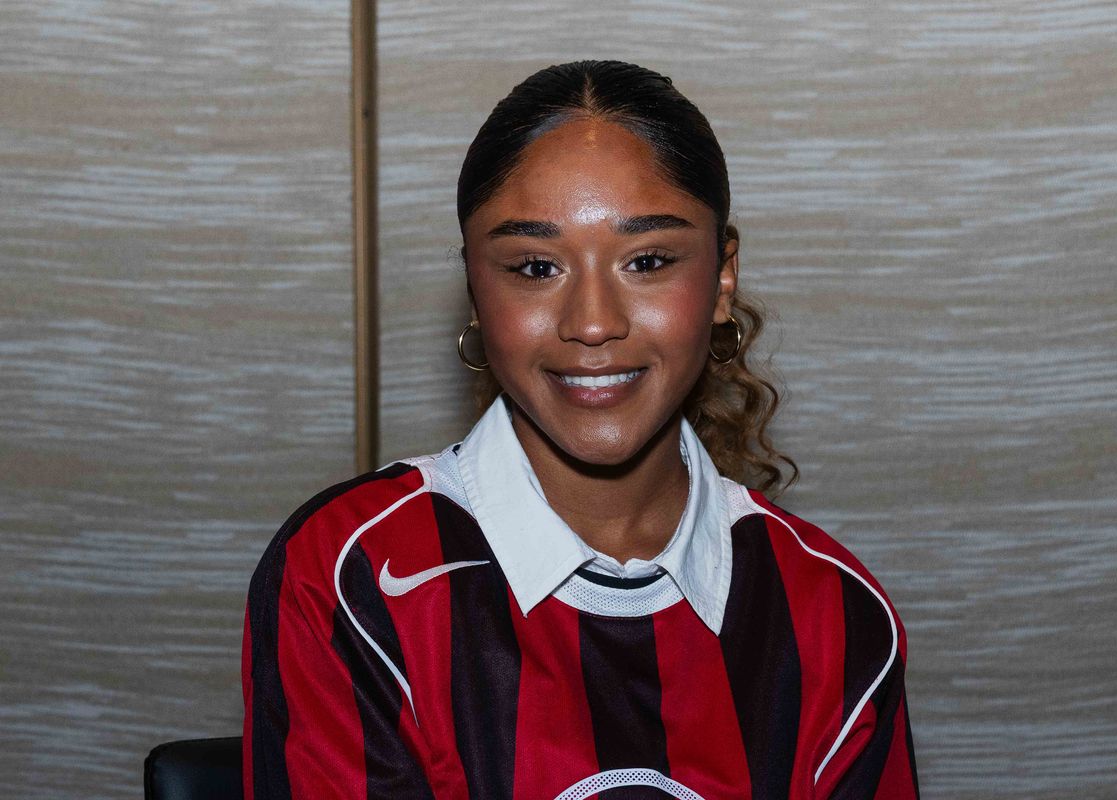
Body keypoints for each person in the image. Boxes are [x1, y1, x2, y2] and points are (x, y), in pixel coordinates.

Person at [242, 60, 918, 800]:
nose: (593, 323)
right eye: (535, 267)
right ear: (475, 287)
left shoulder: (835, 614)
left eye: (649, 260)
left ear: (722, 280)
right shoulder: (356, 576)